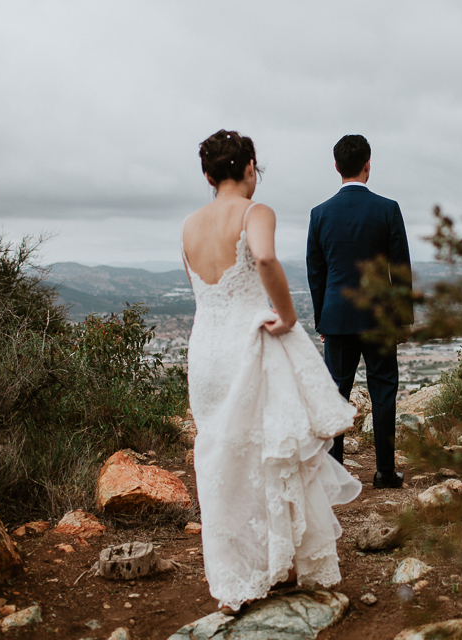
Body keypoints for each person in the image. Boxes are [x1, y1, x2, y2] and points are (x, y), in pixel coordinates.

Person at [181, 130, 361, 614]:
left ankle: (234, 580)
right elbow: (263, 257)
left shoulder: (189, 226)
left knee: (220, 459)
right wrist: (287, 315)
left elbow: (202, 292)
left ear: (206, 175)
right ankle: (278, 562)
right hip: (248, 344)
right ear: (249, 168)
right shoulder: (255, 212)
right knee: (269, 452)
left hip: (205, 351)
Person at [306, 134, 413, 489]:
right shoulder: (388, 209)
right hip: (379, 317)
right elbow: (400, 269)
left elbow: (316, 272)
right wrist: (403, 319)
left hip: (336, 317)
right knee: (383, 391)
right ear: (368, 164)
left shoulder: (319, 214)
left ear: (337, 167)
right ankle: (384, 471)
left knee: (336, 393)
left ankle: (335, 475)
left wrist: (322, 317)